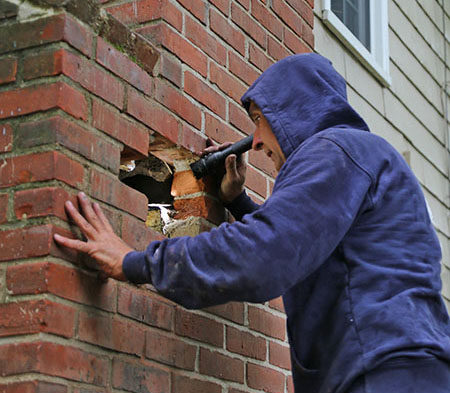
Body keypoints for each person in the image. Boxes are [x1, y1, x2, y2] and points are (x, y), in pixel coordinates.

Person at [54, 53, 450, 393]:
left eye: (260, 120)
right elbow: (302, 242)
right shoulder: (356, 156)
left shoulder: (335, 150)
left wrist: (133, 262)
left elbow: (264, 255)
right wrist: (237, 201)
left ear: (296, 111)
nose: (256, 142)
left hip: (384, 376)